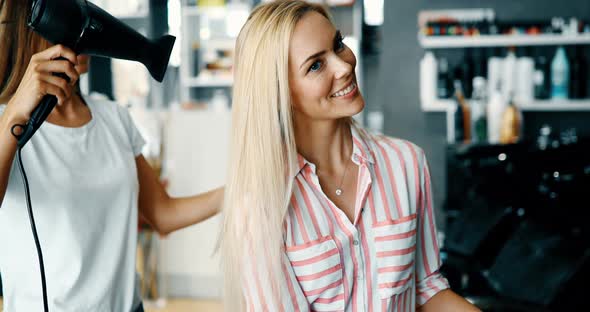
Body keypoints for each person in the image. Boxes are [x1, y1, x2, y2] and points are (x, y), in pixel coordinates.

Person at [220, 1, 481, 311]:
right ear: (281, 92)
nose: (344, 66)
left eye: (338, 45)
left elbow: (425, 288)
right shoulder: (262, 204)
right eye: (316, 65)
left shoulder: (406, 162)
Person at [0, 1, 222, 311]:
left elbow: (163, 214)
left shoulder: (114, 117)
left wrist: (238, 190)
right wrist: (13, 116)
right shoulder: (6, 127)